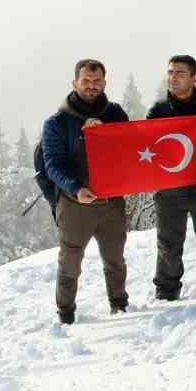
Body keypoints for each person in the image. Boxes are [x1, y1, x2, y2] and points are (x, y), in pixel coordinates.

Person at [40, 59, 131, 325]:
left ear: (105, 82)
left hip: (112, 202)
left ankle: (120, 305)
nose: (91, 86)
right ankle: (66, 313)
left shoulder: (115, 113)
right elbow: (52, 165)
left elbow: (129, 148)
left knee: (115, 258)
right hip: (75, 204)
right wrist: (75, 188)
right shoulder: (57, 123)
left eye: (97, 81)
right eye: (86, 81)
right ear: (75, 83)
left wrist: (107, 134)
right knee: (70, 262)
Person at [146, 55, 196, 300]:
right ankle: (167, 290)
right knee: (168, 244)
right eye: (170, 72)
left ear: (194, 78)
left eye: (180, 72)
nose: (173, 77)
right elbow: (146, 146)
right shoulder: (158, 110)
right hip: (169, 191)